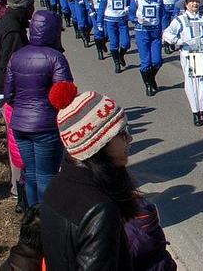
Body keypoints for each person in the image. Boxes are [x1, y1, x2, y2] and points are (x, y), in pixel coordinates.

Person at [41, 84, 140, 270]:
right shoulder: (100, 210)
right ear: (99, 143)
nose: (130, 139)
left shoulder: (57, 184)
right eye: (121, 133)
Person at [5, 10, 74, 205]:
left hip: (20, 124)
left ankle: (33, 216)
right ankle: (47, 219)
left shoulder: (17, 56)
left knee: (31, 172)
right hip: (46, 126)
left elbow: (9, 93)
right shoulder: (55, 58)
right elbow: (63, 97)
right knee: (47, 175)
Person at [0, 0, 34, 209]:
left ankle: (20, 188)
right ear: (24, 8)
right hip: (13, 96)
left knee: (16, 144)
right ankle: (20, 191)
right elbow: (12, 65)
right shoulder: (13, 31)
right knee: (18, 146)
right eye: (31, 7)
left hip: (10, 93)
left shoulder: (11, 24)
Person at [163, 0, 203, 126]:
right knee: (192, 83)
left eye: (196, 1)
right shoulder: (180, 20)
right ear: (186, 4)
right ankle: (195, 111)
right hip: (189, 54)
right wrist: (178, 41)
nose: (195, 4)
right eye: (191, 2)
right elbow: (167, 33)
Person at [130, 0, 166, 96]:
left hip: (155, 31)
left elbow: (162, 15)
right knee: (146, 62)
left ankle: (150, 78)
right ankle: (148, 84)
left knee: (157, 61)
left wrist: (164, 30)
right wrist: (136, 19)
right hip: (142, 31)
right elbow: (130, 14)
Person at [98, 0, 132, 74]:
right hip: (110, 20)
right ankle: (116, 62)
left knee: (126, 43)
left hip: (122, 20)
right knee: (114, 43)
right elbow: (101, 7)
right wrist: (99, 22)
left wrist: (129, 9)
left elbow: (131, 4)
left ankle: (121, 55)